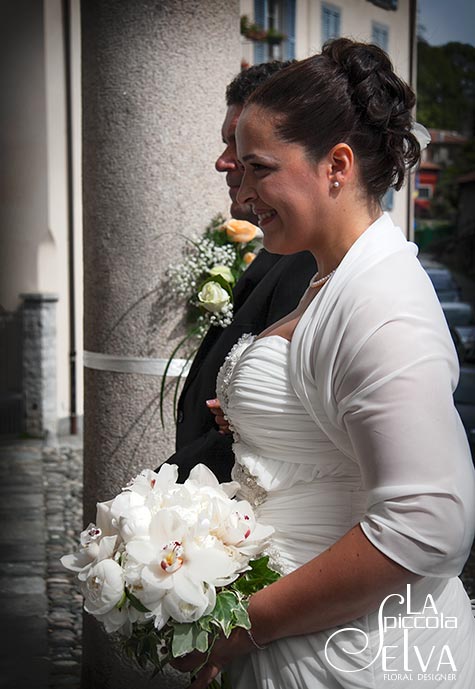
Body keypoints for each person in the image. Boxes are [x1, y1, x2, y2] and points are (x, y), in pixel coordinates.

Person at [177, 38, 475, 688]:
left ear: (335, 165)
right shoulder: (327, 276)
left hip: (357, 654)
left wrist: (241, 625)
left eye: (259, 167)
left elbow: (429, 524)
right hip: (306, 633)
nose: (240, 187)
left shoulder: (382, 298)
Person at [167, 63, 316, 483]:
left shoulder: (308, 262)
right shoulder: (276, 246)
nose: (223, 162)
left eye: (239, 146)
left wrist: (160, 486)